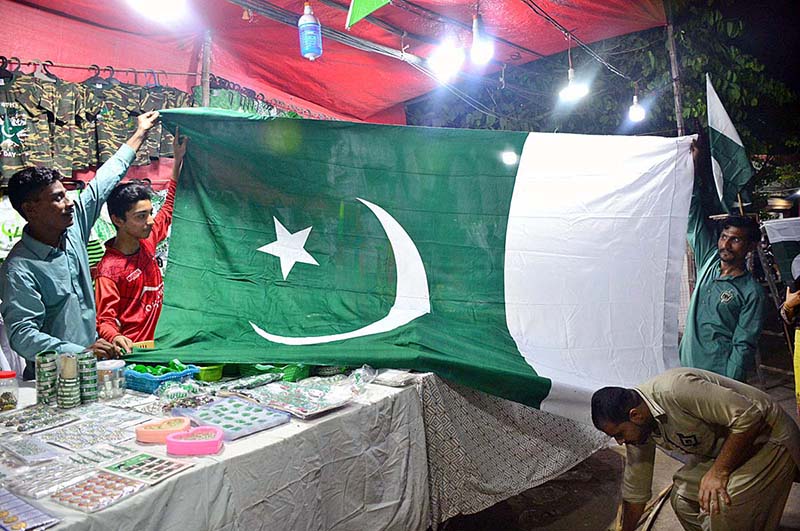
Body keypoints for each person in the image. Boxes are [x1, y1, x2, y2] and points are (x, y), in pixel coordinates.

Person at [0, 111, 160, 374]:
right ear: (31, 209)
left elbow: (102, 183)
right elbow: (22, 335)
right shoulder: (19, 269)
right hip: (54, 378)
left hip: (94, 367)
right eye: (58, 198)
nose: (70, 202)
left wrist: (140, 133)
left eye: (67, 194)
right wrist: (78, 352)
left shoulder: (73, 231)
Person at [592, 367, 800, 531]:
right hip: (731, 446)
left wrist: (719, 472)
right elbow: (636, 491)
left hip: (768, 437)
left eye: (619, 434)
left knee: (721, 503)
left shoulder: (674, 389)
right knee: (681, 498)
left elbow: (749, 417)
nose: (620, 442)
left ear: (635, 415)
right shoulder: (640, 428)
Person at [680, 138, 765, 381]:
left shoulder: (751, 293)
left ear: (750, 246)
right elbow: (692, 214)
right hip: (685, 369)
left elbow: (743, 344)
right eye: (724, 237)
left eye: (735, 240)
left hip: (717, 379)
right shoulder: (708, 259)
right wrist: (693, 166)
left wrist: (730, 385)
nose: (726, 244)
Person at [94, 131, 187, 353]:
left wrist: (178, 160)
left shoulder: (148, 239)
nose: (151, 221)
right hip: (136, 353)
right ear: (118, 220)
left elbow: (169, 207)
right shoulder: (108, 270)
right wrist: (115, 337)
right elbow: (104, 320)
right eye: (140, 216)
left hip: (161, 345)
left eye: (150, 212)